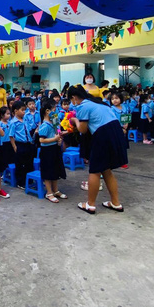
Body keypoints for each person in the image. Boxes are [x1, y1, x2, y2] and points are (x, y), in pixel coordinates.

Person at [67, 86, 126, 214]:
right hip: (116, 133)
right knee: (106, 170)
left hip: (102, 135)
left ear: (74, 97)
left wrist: (74, 120)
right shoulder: (99, 102)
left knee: (94, 170)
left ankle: (90, 205)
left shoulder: (82, 106)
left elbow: (82, 129)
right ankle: (115, 203)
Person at [37, 99, 66, 203]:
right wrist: (54, 139)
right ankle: (49, 192)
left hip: (55, 149)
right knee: (48, 172)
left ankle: (55, 190)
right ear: (48, 111)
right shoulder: (44, 125)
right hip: (47, 151)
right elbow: (41, 140)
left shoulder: (53, 122)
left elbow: (56, 133)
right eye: (55, 109)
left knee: (55, 170)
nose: (56, 111)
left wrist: (59, 139)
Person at [9, 100, 33, 189]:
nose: (24, 112)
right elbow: (11, 136)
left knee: (29, 163)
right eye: (22, 110)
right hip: (20, 144)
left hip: (28, 144)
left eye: (25, 110)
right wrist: (14, 146)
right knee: (20, 164)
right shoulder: (13, 122)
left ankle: (29, 180)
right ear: (15, 111)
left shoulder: (25, 120)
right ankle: (20, 182)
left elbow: (28, 131)